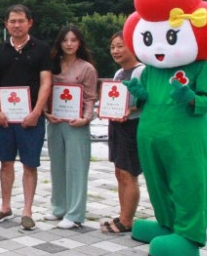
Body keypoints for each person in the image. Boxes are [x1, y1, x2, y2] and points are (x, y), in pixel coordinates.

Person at [0, 5, 52, 231]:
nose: (16, 25)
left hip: (30, 117)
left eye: (21, 21)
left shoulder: (42, 49)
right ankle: (5, 207)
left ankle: (27, 211)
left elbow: (46, 83)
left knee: (29, 164)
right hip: (4, 117)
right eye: (12, 21)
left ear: (29, 22)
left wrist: (36, 112)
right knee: (5, 163)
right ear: (6, 24)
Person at [44, 25, 98, 229]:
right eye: (65, 40)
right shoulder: (51, 65)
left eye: (73, 40)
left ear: (80, 43)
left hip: (77, 124)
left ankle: (75, 214)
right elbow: (46, 91)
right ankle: (59, 207)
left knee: (76, 168)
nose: (69, 44)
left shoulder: (87, 68)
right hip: (55, 122)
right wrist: (45, 113)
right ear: (59, 43)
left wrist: (86, 118)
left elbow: (91, 97)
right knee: (57, 166)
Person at [100, 31, 143, 234]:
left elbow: (147, 100)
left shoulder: (142, 71)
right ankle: (122, 214)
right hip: (117, 124)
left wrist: (131, 110)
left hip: (132, 126)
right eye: (112, 47)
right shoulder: (119, 73)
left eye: (120, 46)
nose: (115, 51)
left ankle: (127, 220)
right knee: (119, 172)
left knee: (129, 173)